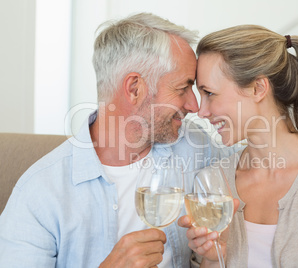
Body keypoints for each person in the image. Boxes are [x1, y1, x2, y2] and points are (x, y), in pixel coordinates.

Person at [0, 13, 234, 267]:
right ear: (134, 88)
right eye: (182, 88)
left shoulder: (196, 147)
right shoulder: (41, 192)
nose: (194, 105)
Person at [179, 25, 298, 267]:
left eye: (209, 93)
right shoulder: (213, 182)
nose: (201, 111)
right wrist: (214, 259)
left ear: (258, 88)